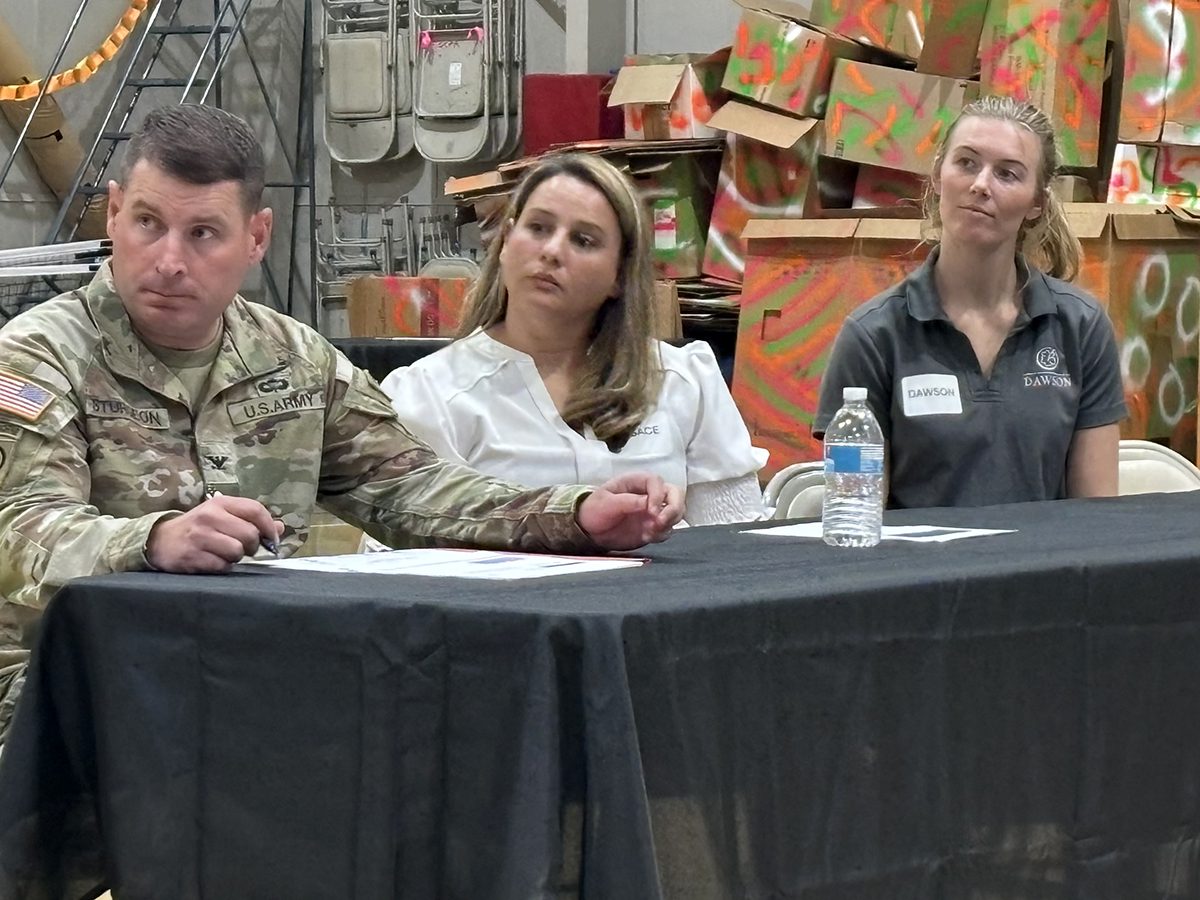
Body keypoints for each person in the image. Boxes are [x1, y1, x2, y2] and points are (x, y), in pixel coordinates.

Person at [0, 105, 684, 745]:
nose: (170, 260)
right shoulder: (36, 356)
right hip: (67, 700)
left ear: (256, 237)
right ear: (114, 213)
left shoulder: (294, 360)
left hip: (253, 693)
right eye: (149, 223)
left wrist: (577, 514)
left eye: (203, 233)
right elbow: (22, 530)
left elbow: (415, 489)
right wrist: (151, 540)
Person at [380, 153, 767, 524]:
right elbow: (395, 564)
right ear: (506, 242)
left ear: (619, 275)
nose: (551, 251)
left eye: (583, 240)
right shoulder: (430, 395)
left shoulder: (682, 381)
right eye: (538, 228)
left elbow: (735, 548)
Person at [813, 96, 1127, 508]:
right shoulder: (874, 335)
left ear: (1037, 204)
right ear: (939, 176)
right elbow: (854, 520)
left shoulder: (1080, 327)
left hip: (1046, 570)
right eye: (966, 163)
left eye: (1007, 174)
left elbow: (1096, 519)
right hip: (919, 572)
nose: (981, 184)